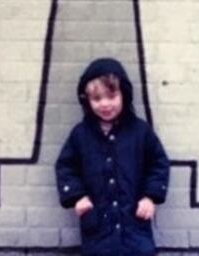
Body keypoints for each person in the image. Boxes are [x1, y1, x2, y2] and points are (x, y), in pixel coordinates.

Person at [55, 57, 170, 256]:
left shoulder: (140, 132)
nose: (105, 104)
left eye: (111, 96)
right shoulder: (81, 135)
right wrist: (77, 196)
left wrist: (150, 197)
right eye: (97, 99)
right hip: (98, 226)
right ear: (87, 101)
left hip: (134, 224)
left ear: (123, 95)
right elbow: (66, 167)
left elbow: (158, 163)